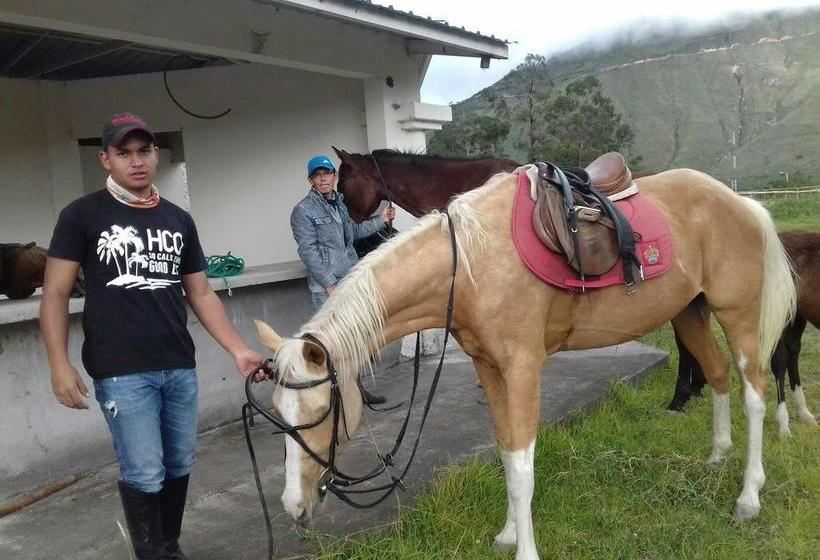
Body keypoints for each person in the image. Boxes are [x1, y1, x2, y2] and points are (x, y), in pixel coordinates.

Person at [40, 113, 263, 560]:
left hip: (178, 364)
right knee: (144, 472)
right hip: (121, 370)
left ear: (156, 155)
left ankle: (167, 547)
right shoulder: (82, 215)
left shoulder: (178, 219)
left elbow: (199, 292)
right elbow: (56, 293)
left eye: (144, 151)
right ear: (106, 159)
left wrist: (238, 349)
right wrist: (58, 364)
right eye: (124, 153)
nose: (136, 162)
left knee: (179, 464)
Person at [290, 154, 395, 404]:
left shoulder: (339, 204)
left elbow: (354, 233)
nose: (323, 178)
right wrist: (329, 284)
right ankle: (333, 396)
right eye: (317, 175)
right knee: (330, 344)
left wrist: (381, 221)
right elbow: (308, 250)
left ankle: (354, 391)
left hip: (347, 282)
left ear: (335, 177)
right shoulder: (303, 211)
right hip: (327, 288)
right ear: (311, 180)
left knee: (351, 339)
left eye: (326, 173)